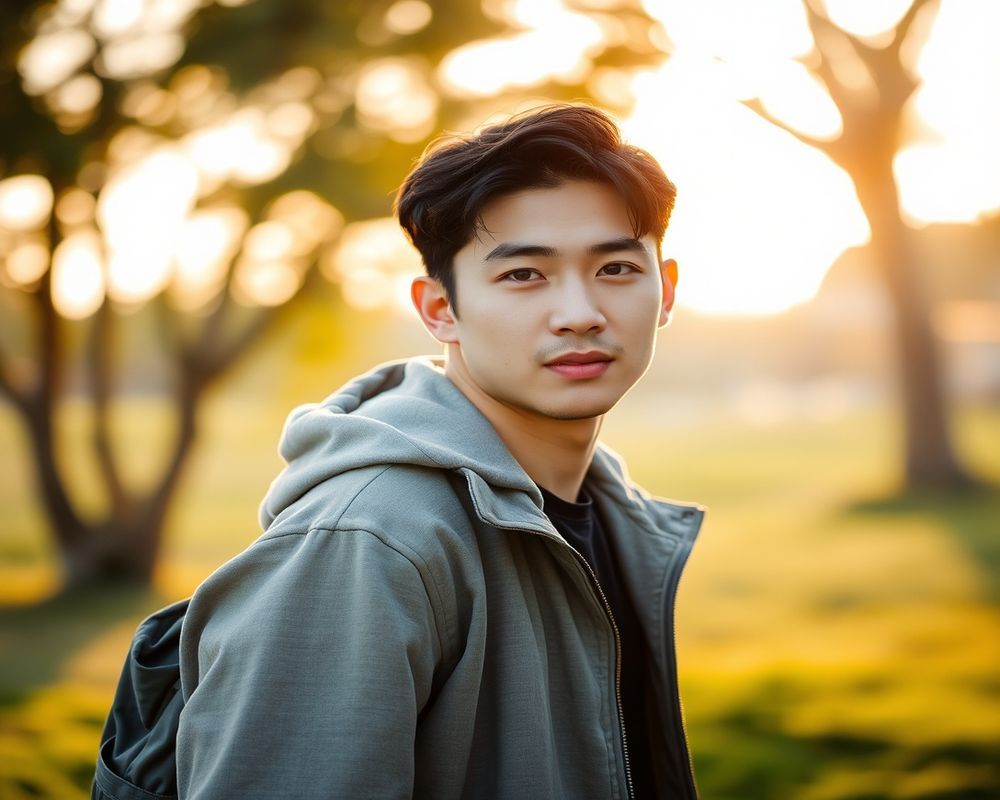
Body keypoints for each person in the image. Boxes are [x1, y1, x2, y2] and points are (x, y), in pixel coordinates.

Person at [174, 103, 705, 799]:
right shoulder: (368, 539)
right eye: (524, 275)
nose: (580, 311)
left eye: (614, 269)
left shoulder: (607, 509)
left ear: (664, 289)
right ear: (438, 310)